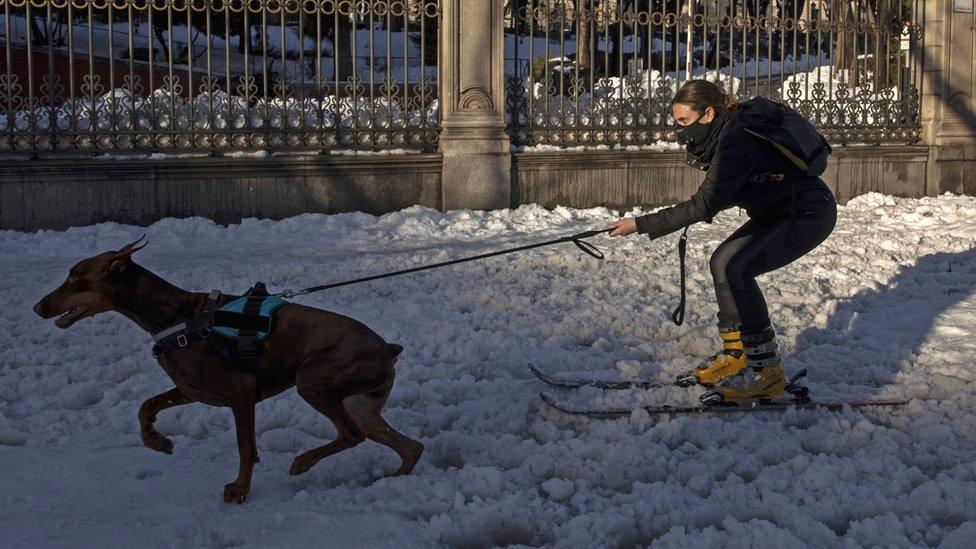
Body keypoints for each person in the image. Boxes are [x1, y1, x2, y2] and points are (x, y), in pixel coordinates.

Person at [607, 79, 837, 404]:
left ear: (708, 114)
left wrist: (640, 224)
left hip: (808, 214)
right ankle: (737, 355)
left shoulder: (735, 142)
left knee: (738, 268)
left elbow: (705, 203)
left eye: (684, 122)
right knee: (722, 261)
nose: (680, 131)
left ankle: (767, 374)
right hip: (779, 211)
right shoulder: (727, 135)